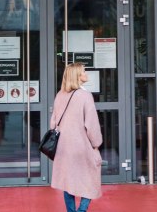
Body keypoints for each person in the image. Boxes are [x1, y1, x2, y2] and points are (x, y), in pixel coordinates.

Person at [50, 63, 103, 212]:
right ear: (77, 76)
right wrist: (96, 144)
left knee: (68, 181)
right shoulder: (85, 96)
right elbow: (91, 125)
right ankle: (82, 210)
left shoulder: (59, 95)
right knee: (91, 178)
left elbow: (53, 123)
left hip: (63, 147)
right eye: (84, 71)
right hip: (81, 147)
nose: (86, 74)